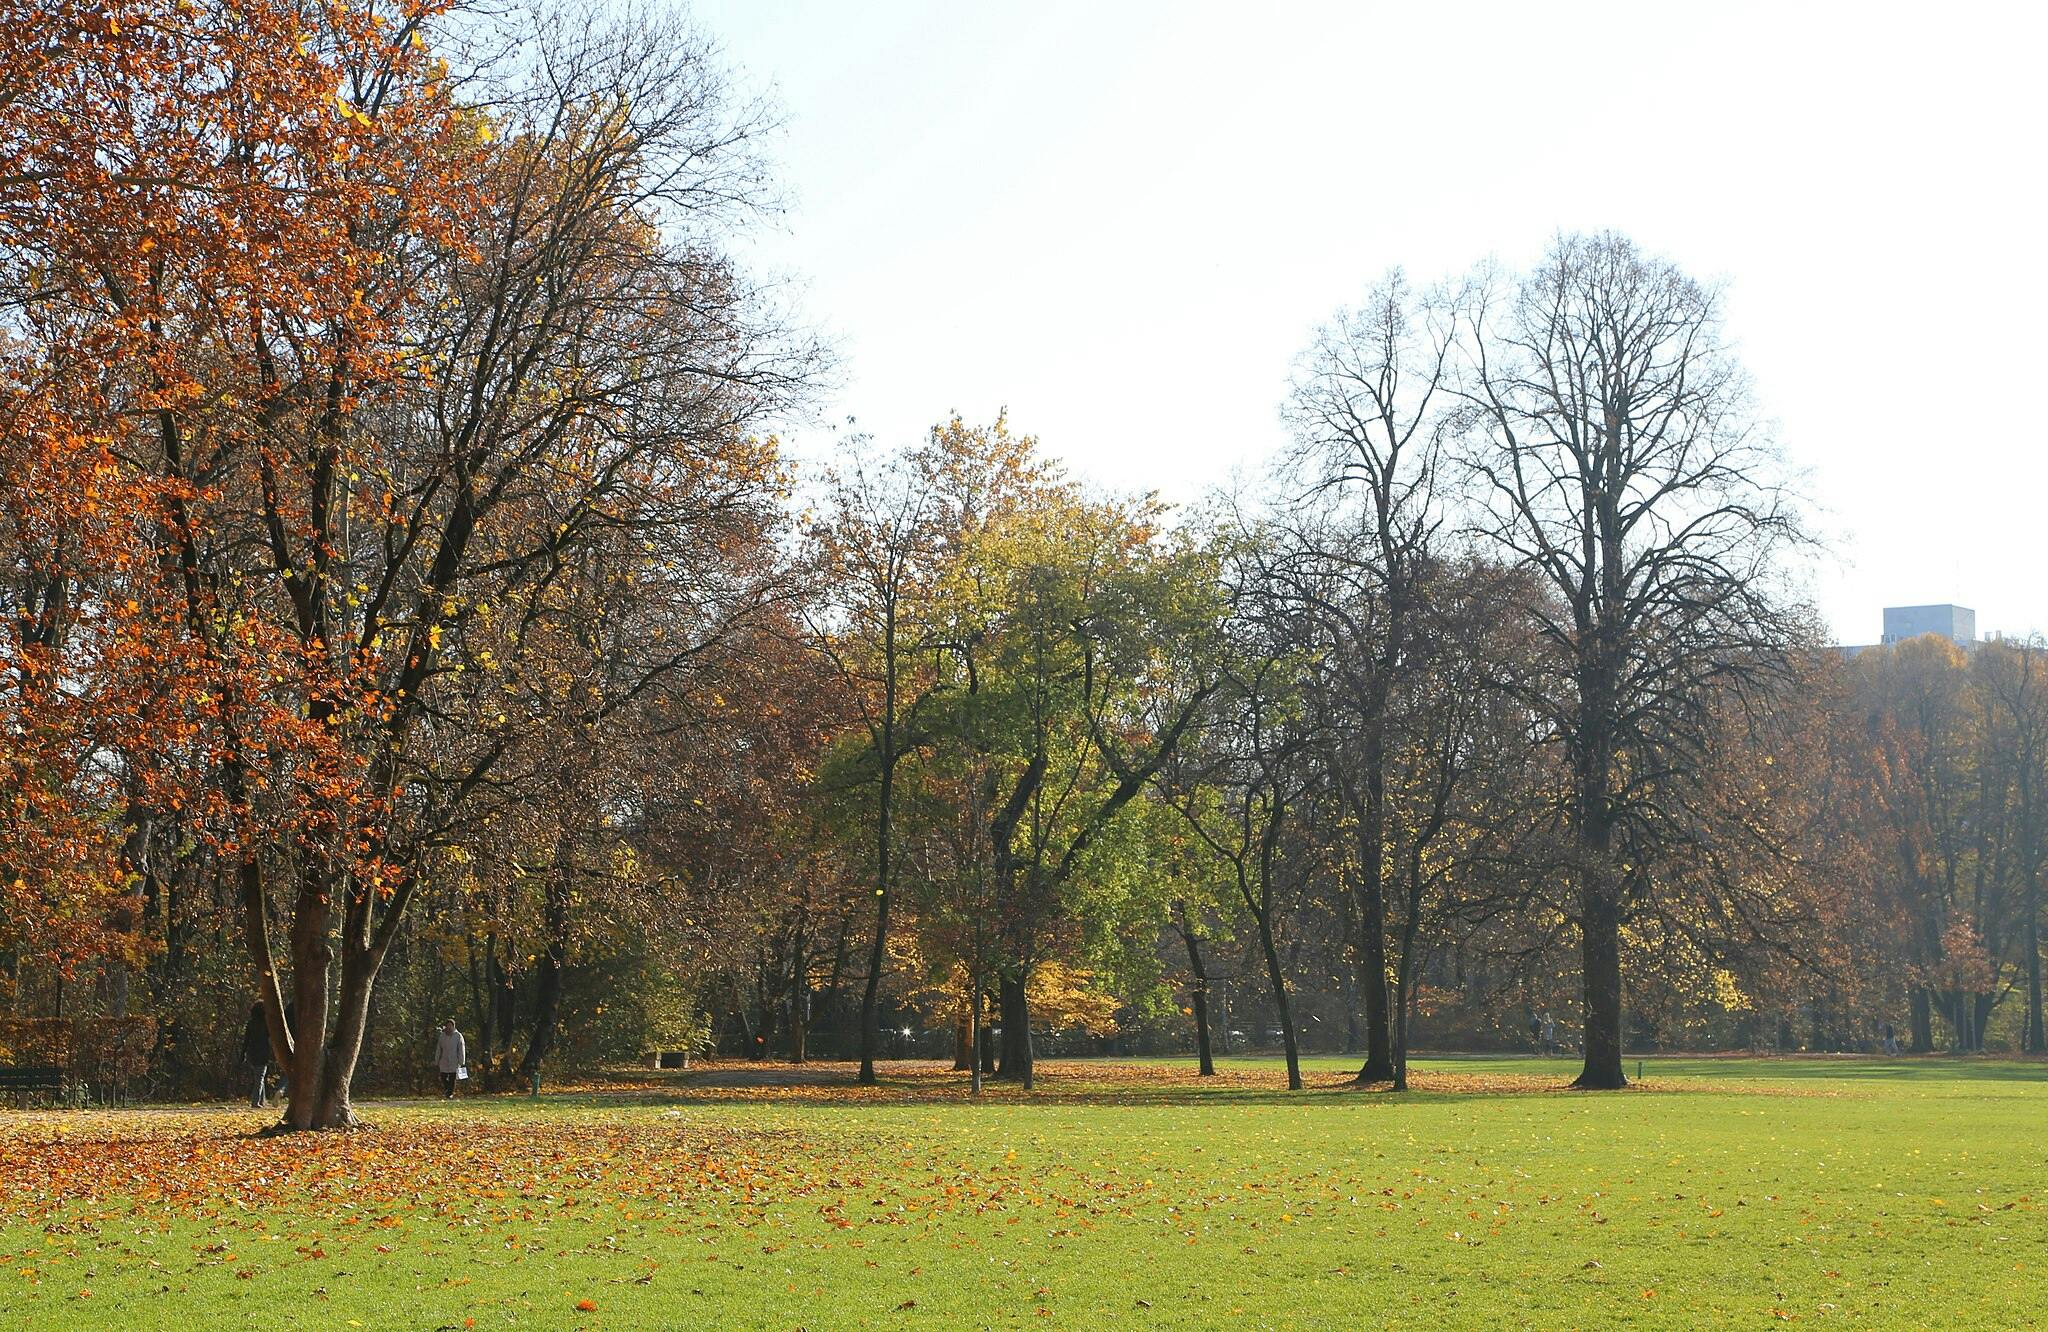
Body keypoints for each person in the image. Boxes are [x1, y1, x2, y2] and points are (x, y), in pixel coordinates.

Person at [241, 1003, 270, 1108]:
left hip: (252, 1053)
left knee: (259, 1076)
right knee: (260, 1077)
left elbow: (246, 1040)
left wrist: (243, 1053)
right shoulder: (266, 1024)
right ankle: (255, 1101)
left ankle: (262, 1100)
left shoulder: (250, 1024)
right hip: (263, 1052)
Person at [435, 1019, 467, 1098]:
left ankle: (450, 1093)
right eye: (447, 1026)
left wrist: (462, 1061)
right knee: (443, 1076)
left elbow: (461, 1049)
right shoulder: (442, 1036)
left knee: (452, 1077)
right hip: (444, 1059)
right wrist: (437, 1059)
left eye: (450, 1026)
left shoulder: (458, 1036)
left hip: (454, 1060)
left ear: (453, 1026)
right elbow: (439, 1048)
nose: (449, 1027)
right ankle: (447, 1090)